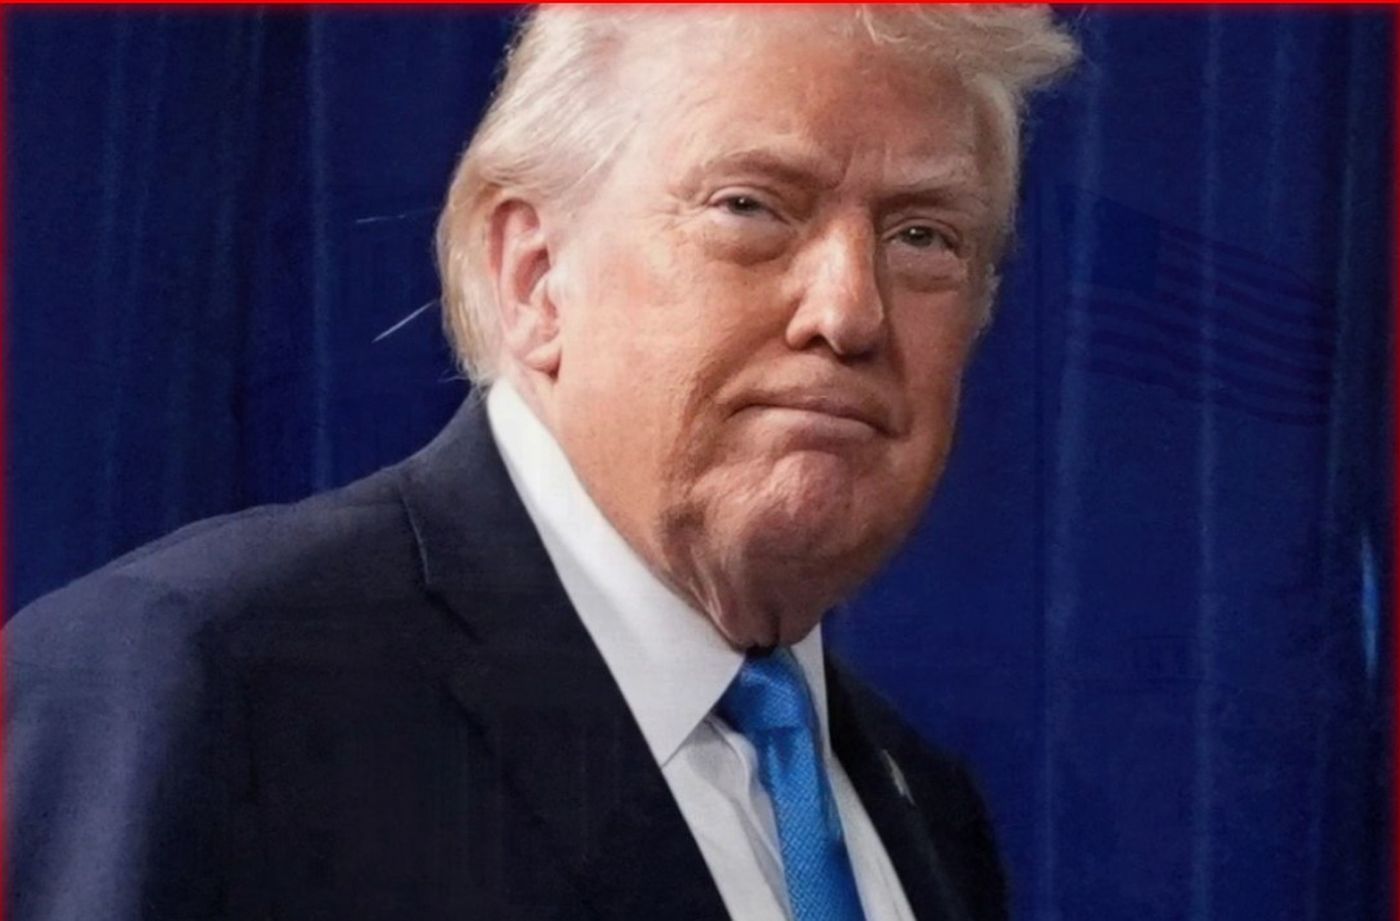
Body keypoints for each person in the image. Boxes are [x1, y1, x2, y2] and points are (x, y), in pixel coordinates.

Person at [6, 6, 1077, 920]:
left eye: (924, 236)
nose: (848, 311)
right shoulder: (206, 685)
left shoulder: (924, 807)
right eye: (750, 206)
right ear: (534, 276)